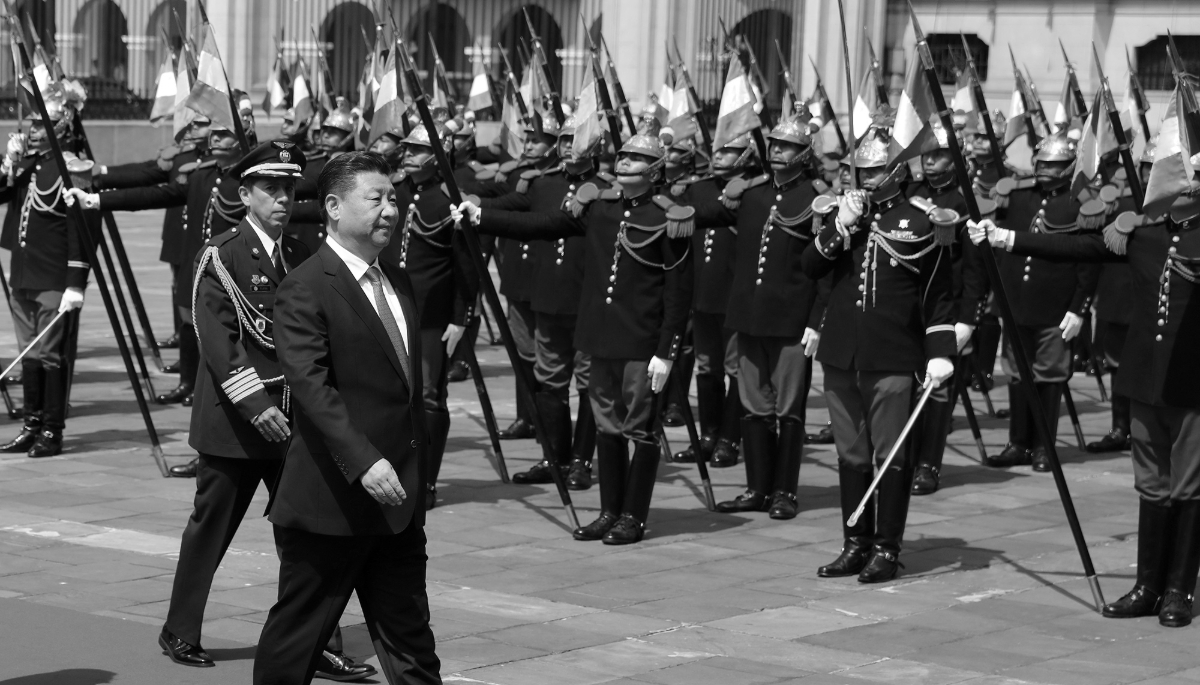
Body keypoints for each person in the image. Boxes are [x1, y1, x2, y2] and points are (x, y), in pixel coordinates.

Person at [150, 140, 372, 680]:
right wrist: (254, 404)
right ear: (244, 193)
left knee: (306, 536)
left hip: (292, 421)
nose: (281, 198)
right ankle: (180, 628)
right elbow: (217, 342)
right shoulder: (221, 254)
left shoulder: (300, 253)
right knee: (212, 529)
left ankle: (316, 640)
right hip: (235, 422)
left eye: (288, 188)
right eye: (270, 188)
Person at [968, 170, 1200, 628]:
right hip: (1142, 377)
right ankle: (1148, 586)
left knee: (1189, 486)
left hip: (1193, 381)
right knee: (1151, 483)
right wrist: (1005, 237)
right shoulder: (1145, 233)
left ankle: (1179, 591)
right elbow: (1077, 245)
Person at [455, 124, 694, 545]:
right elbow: (544, 224)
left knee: (640, 430)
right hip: (599, 336)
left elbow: (678, 292)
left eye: (636, 159)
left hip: (641, 340)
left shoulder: (668, 218)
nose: (624, 162)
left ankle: (633, 517)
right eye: (622, 156)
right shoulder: (600, 207)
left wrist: (668, 350)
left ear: (655, 170)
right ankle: (609, 511)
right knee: (609, 428)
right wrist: (483, 216)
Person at [254, 151, 440, 683]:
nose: (390, 210)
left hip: (398, 501)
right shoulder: (306, 286)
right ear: (334, 207)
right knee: (298, 639)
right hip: (331, 502)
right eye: (375, 198)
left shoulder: (398, 282)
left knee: (410, 641)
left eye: (393, 199)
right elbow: (311, 387)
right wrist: (364, 461)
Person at [800, 111, 956, 583]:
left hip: (891, 352)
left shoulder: (922, 220)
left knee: (890, 454)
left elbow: (939, 293)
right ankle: (855, 543)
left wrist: (940, 350)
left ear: (897, 171)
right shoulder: (842, 214)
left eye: (873, 170)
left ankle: (886, 548)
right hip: (842, 351)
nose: (864, 178)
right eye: (859, 170)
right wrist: (840, 226)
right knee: (851, 453)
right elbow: (810, 267)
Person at [691, 116, 830, 520]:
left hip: (790, 320)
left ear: (804, 155)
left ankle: (784, 491)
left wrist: (816, 320)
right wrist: (663, 205)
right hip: (748, 317)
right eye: (773, 143)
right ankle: (757, 488)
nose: (776, 150)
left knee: (788, 410)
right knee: (754, 406)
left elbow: (825, 269)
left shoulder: (817, 198)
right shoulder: (750, 195)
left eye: (786, 146)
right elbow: (706, 216)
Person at [470, 114, 610, 489]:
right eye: (562, 141)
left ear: (594, 146)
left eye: (574, 140)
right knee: (551, 380)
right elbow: (517, 210)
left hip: (586, 301)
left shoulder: (607, 190)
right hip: (548, 298)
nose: (567, 147)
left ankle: (581, 461)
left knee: (589, 384)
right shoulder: (545, 183)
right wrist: (473, 204)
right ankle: (555, 458)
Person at [983, 131, 1103, 472]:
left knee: (1049, 376)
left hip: (1056, 305)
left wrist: (1079, 308)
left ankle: (1043, 446)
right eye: (1042, 163)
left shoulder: (1080, 204)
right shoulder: (1018, 197)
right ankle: (1017, 442)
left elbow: (1088, 263)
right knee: (1018, 373)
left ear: (1069, 167)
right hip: (1017, 303)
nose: (1046, 170)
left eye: (1055, 165)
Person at [379, 121, 478, 510]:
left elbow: (466, 267)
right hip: (389, 305)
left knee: (430, 398)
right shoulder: (394, 191)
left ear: (437, 156)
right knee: (389, 394)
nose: (407, 154)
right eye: (405, 148)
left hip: (432, 315)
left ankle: (428, 479)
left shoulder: (450, 200)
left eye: (416, 149)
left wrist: (460, 318)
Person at [0, 81, 90, 459]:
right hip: (23, 273)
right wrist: (8, 164)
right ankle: (31, 423)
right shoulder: (27, 165)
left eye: (39, 124)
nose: (30, 130)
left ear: (62, 125)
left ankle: (52, 429)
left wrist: (75, 282)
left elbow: (82, 232)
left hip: (54, 275)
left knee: (51, 355)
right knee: (29, 353)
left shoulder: (72, 168)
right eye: (30, 125)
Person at [905, 122, 991, 495]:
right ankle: (905, 457)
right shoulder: (909, 193)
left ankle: (928, 465)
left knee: (938, 392)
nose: (930, 161)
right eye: (927, 154)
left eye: (939, 154)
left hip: (946, 309)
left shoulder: (964, 201)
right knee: (906, 388)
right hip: (910, 306)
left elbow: (974, 268)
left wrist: (968, 318)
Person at [667, 134, 756, 469]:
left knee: (735, 370)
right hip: (702, 293)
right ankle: (708, 436)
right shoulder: (698, 188)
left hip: (734, 294)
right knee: (707, 368)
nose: (719, 156)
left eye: (729, 151)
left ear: (747, 154)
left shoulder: (753, 192)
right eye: (717, 150)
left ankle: (730, 439)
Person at [93, 116, 211, 358]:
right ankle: (188, 372)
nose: (192, 128)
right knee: (185, 302)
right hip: (183, 237)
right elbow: (146, 175)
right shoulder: (183, 156)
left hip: (213, 245)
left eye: (201, 123)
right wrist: (101, 175)